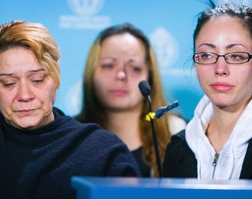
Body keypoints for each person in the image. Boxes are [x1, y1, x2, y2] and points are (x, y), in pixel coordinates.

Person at [0, 20, 141, 199]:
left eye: (37, 80)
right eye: (9, 83)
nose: (25, 95)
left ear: (56, 77)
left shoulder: (104, 153)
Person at [163, 2, 252, 180]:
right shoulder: (178, 148)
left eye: (236, 56)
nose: (220, 69)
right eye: (207, 55)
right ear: (195, 63)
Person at [75, 23, 187, 177]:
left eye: (134, 68)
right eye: (108, 65)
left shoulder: (181, 135)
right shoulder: (69, 137)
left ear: (150, 78)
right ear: (91, 73)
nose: (121, 75)